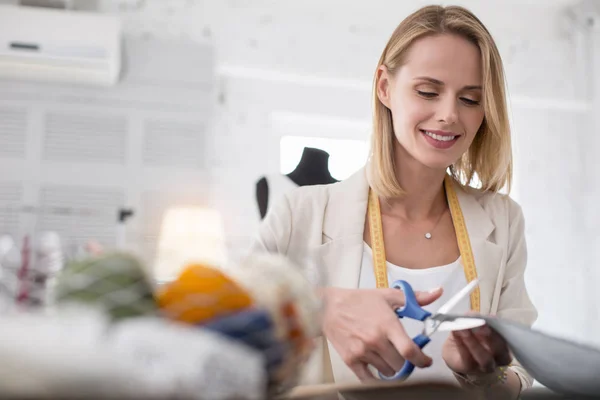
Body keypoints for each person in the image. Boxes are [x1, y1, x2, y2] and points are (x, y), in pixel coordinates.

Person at [251, 4, 537, 399]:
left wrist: (485, 376)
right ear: (385, 87)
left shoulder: (503, 221)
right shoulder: (297, 214)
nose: (449, 114)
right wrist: (321, 307)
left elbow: (518, 377)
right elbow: (226, 328)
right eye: (428, 92)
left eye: (470, 99)